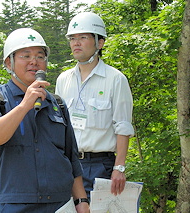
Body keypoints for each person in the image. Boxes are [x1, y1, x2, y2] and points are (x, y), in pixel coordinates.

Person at [0, 28, 89, 213]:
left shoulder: (57, 104)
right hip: (16, 203)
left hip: (60, 203)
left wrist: (81, 199)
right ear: (9, 63)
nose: (34, 62)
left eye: (40, 56)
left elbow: (70, 156)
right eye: (25, 56)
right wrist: (24, 105)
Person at [55, 12, 135, 199]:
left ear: (100, 43)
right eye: (73, 38)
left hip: (100, 166)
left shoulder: (115, 79)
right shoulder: (63, 79)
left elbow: (122, 126)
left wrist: (119, 168)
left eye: (83, 37)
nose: (76, 43)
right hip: (68, 164)